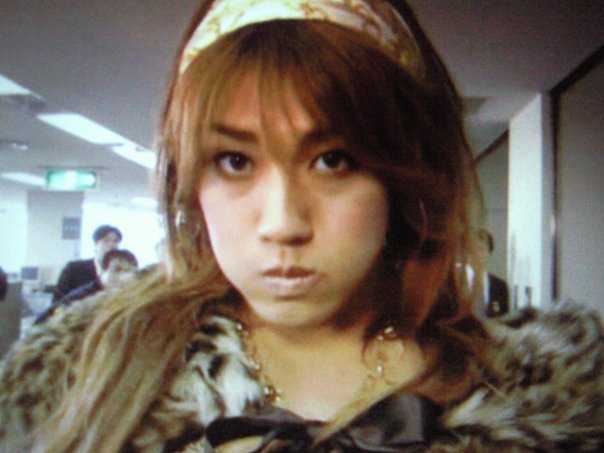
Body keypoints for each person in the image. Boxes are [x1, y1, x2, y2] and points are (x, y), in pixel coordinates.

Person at [0, 1, 602, 451]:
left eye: (334, 160)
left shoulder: (553, 399)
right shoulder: (80, 376)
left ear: (406, 174)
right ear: (190, 181)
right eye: (235, 161)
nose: (283, 224)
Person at [34, 249, 139, 324]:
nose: (124, 277)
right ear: (103, 272)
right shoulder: (83, 296)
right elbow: (43, 320)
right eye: (117, 270)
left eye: (129, 271)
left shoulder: (128, 299)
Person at [52, 224, 122, 302]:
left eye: (115, 241)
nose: (112, 245)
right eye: (106, 241)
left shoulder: (121, 272)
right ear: (95, 245)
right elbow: (58, 302)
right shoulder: (74, 269)